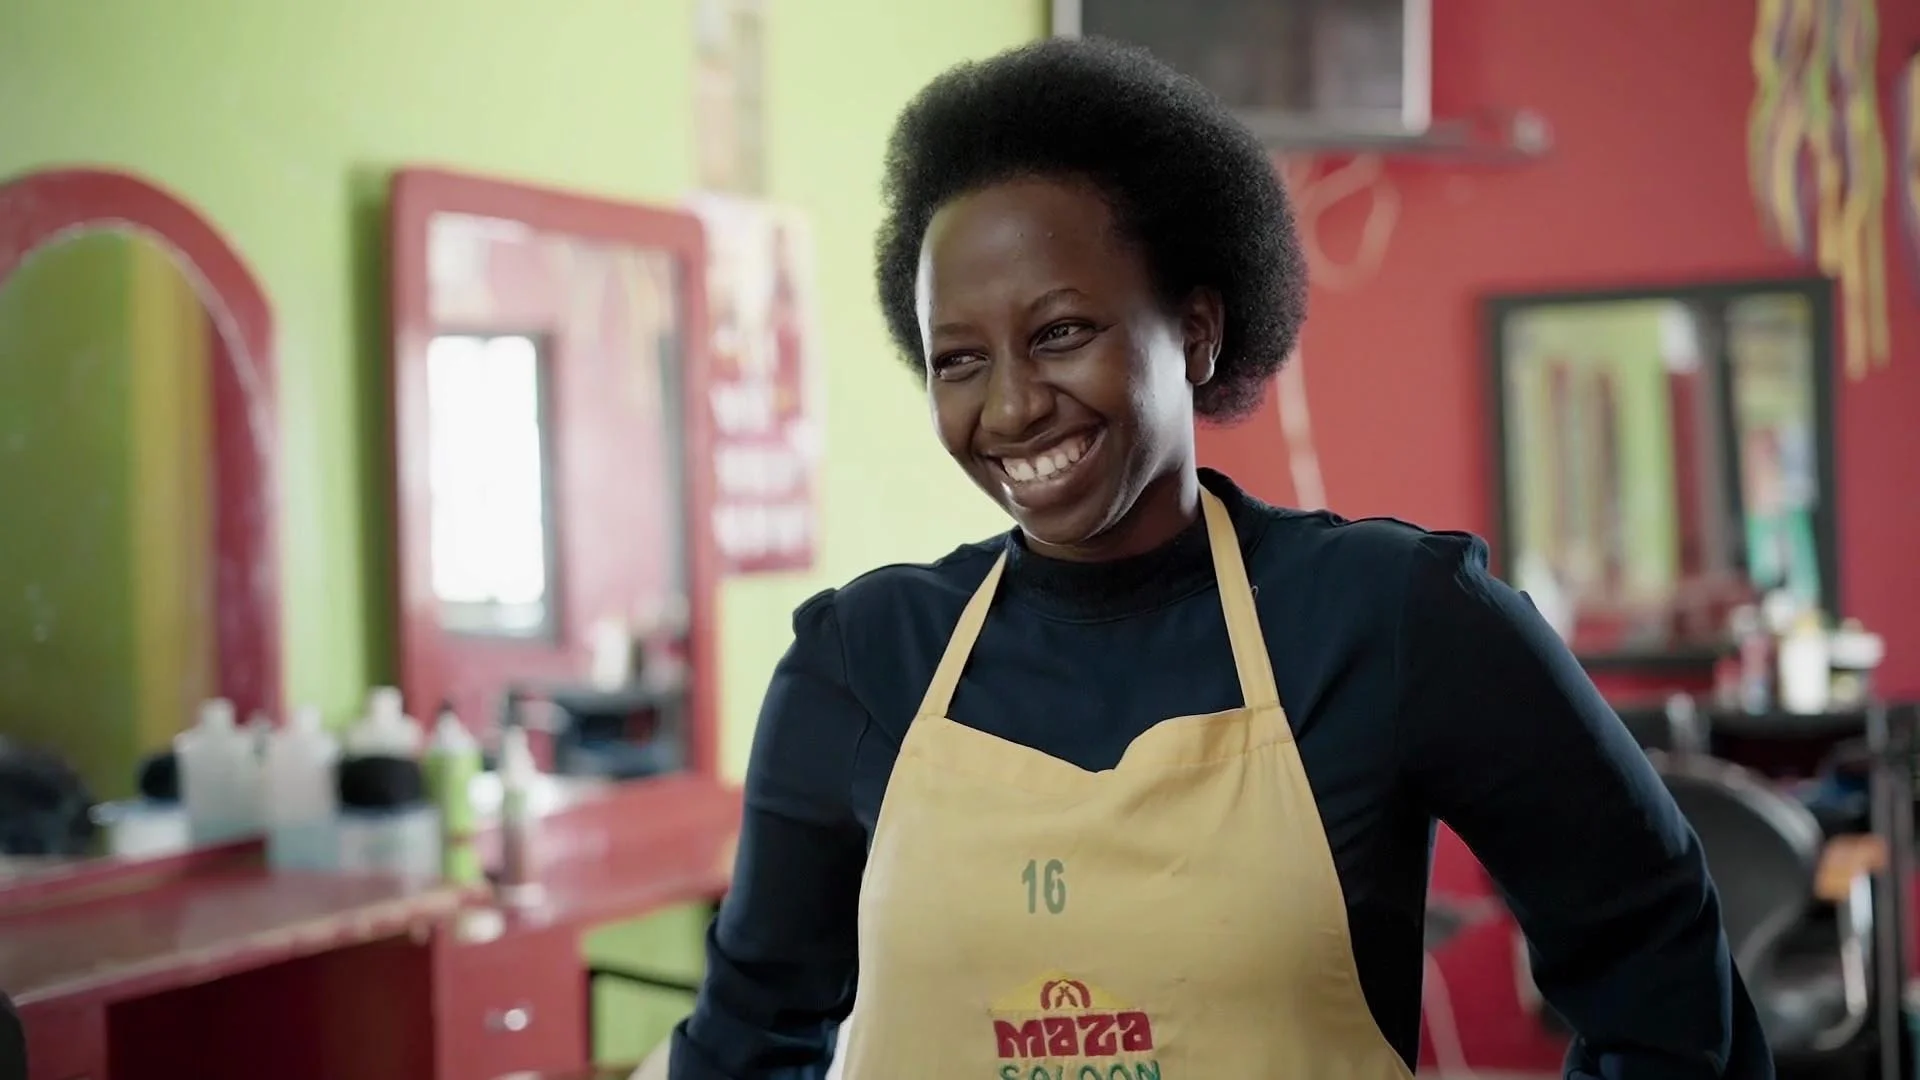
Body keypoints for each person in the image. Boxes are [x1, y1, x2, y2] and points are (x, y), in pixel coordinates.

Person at [666, 37, 1770, 1079]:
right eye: (959, 359)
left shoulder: (1392, 619)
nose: (1008, 405)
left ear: (1194, 329)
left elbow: (1659, 961)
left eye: (1061, 332)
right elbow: (749, 1035)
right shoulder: (859, 662)